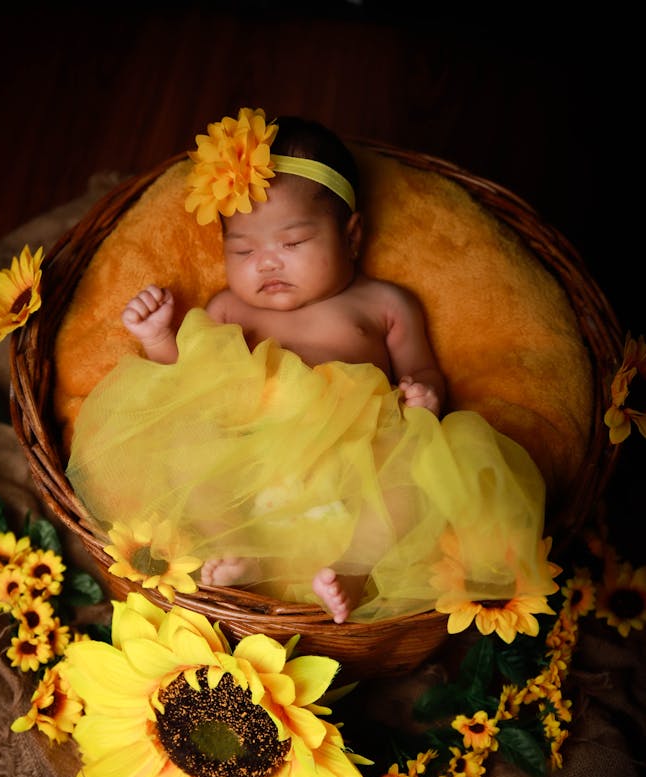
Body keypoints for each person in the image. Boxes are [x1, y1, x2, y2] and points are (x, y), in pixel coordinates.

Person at [67, 108, 557, 624]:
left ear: (350, 236)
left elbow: (425, 371)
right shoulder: (228, 309)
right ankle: (233, 549)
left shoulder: (385, 305)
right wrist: (160, 337)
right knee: (190, 443)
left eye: (293, 242)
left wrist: (423, 395)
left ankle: (352, 568)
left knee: (417, 463)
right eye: (243, 248)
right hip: (251, 455)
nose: (267, 262)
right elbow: (190, 384)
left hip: (357, 455)